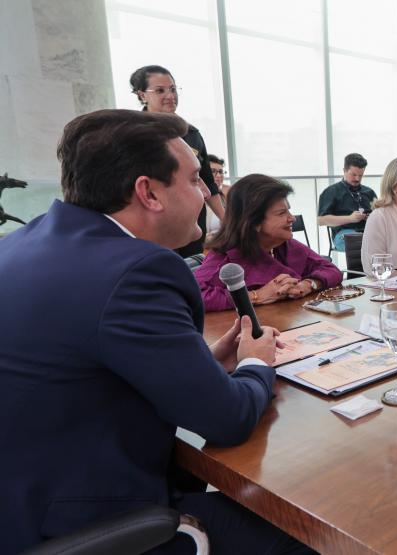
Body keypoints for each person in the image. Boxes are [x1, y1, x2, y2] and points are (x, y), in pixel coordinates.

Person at [0, 109, 313, 554]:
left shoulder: (22, 243)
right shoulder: (136, 271)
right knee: (307, 533)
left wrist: (205, 365)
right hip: (84, 524)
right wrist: (254, 363)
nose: (207, 191)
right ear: (148, 192)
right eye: (192, 179)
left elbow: (89, 368)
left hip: (22, 504)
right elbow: (228, 420)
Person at [195, 174, 343, 312]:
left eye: (289, 211)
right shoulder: (226, 255)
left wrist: (308, 285)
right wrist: (257, 295)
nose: (292, 218)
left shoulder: (285, 245)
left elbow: (331, 270)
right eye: (281, 213)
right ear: (253, 221)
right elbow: (195, 296)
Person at [129, 65, 225, 257]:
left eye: (173, 89)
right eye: (160, 90)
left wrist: (228, 222)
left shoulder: (191, 133)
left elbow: (207, 182)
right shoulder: (131, 133)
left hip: (192, 224)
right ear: (142, 95)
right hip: (152, 225)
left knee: (192, 273)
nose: (170, 95)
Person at [318, 153, 375, 251]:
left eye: (360, 175)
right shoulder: (331, 192)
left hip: (368, 233)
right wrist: (350, 218)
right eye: (353, 175)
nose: (357, 179)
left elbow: (379, 215)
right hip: (344, 234)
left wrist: (372, 217)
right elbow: (321, 220)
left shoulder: (369, 192)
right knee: (366, 244)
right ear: (344, 171)